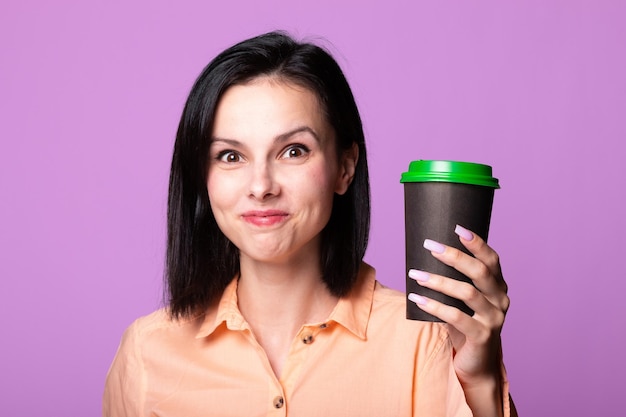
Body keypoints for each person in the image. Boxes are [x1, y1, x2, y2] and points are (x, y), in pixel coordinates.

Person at [103, 31, 516, 417]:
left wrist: (480, 380)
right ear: (201, 176)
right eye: (231, 156)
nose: (261, 186)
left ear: (345, 167)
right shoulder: (147, 353)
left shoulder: (423, 340)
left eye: (294, 151)